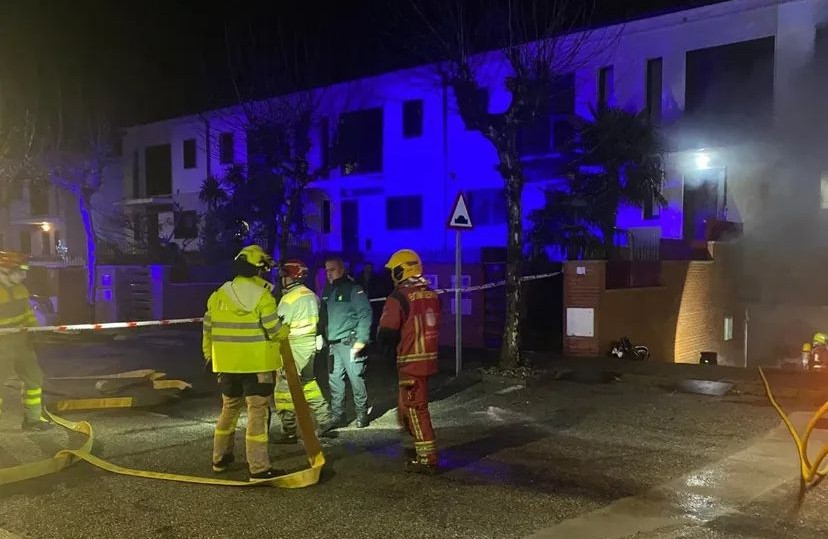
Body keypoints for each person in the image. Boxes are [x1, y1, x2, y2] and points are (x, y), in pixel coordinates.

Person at [202, 244, 289, 480]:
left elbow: (207, 330)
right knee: (257, 413)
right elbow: (274, 330)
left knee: (228, 410)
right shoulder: (263, 297)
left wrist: (209, 356)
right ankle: (259, 468)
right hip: (256, 365)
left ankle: (219, 459)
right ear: (259, 269)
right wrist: (286, 330)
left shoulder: (218, 294)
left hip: (227, 365)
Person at [377, 249, 441, 474]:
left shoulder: (399, 297)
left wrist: (382, 350)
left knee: (415, 408)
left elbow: (387, 331)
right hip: (428, 358)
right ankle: (418, 445)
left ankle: (427, 458)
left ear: (400, 270)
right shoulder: (431, 293)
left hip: (409, 361)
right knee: (406, 408)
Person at [273, 258, 333, 443]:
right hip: (309, 346)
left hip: (293, 347)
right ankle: (325, 419)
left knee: (284, 387)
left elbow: (278, 326)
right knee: (308, 382)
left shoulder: (288, 299)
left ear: (290, 278)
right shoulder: (312, 295)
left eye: (284, 276)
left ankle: (289, 430)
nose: (282, 280)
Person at [0, 251, 52, 431]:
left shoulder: (21, 290)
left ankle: (33, 419)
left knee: (34, 378)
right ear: (5, 270)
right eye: (20, 271)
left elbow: (27, 315)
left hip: (22, 342)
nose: (24, 275)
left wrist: (35, 331)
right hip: (1, 345)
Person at [322, 256, 373, 428]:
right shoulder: (327, 290)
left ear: (342, 270)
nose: (329, 273)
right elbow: (323, 315)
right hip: (333, 343)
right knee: (335, 381)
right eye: (327, 270)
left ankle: (361, 414)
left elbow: (365, 314)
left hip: (350, 342)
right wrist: (320, 335)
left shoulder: (353, 289)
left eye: (333, 269)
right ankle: (338, 416)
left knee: (356, 379)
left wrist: (362, 339)